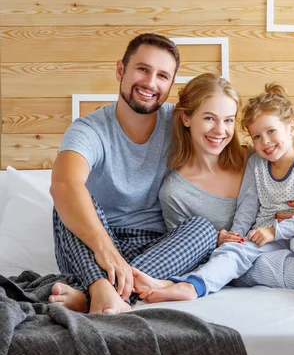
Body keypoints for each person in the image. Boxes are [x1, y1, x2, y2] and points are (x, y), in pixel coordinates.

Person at [133, 81, 294, 302]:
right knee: (241, 257)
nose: (264, 142)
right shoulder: (254, 162)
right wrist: (236, 237)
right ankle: (190, 286)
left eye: (228, 120)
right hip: (263, 242)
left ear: (291, 128)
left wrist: (287, 224)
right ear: (187, 119)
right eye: (256, 137)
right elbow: (247, 206)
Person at [48, 33, 218, 315]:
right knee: (67, 203)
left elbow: (226, 145)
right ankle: (106, 289)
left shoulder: (179, 123)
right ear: (120, 70)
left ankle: (96, 295)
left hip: (157, 250)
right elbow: (64, 183)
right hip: (93, 248)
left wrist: (293, 180)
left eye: (162, 76)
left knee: (203, 229)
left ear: (170, 85)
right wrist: (106, 251)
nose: (151, 83)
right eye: (142, 69)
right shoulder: (89, 130)